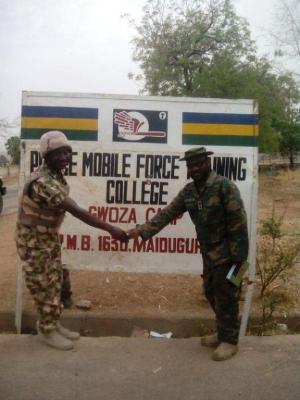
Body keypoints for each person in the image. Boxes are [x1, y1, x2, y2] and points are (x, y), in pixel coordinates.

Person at [127, 146, 249, 361]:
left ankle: (230, 341)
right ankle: (222, 332)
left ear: (208, 163)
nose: (196, 167)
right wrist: (141, 231)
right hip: (208, 254)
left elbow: (238, 223)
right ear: (188, 168)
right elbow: (168, 213)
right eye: (192, 165)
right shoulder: (189, 192)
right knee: (211, 292)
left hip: (229, 254)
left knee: (227, 294)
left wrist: (239, 261)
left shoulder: (224, 186)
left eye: (200, 163)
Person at [15, 130, 128, 351]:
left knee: (55, 280)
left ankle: (53, 324)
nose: (65, 158)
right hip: (33, 242)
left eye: (67, 153)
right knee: (43, 284)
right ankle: (47, 330)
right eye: (59, 153)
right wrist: (110, 229)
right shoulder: (42, 182)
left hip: (47, 238)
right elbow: (77, 211)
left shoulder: (55, 176)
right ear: (46, 155)